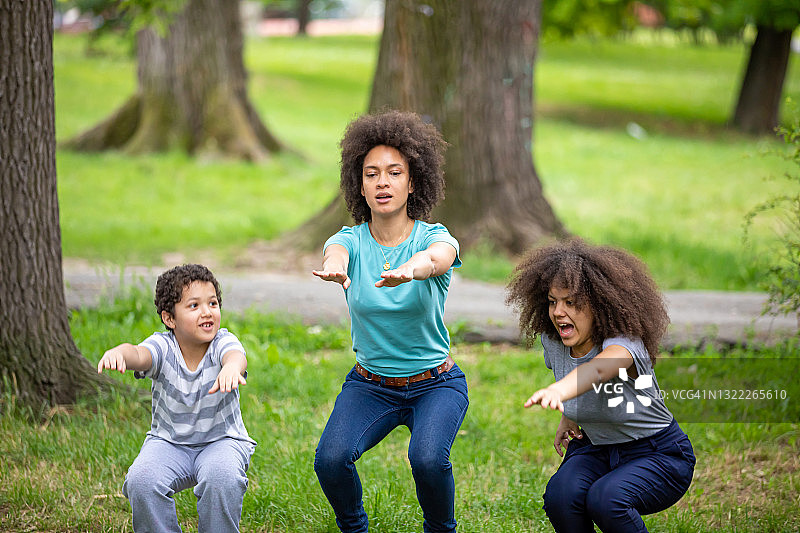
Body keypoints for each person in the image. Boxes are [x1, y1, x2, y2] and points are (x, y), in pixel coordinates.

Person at [312, 110, 469, 533]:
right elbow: (335, 253)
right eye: (372, 173)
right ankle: (355, 528)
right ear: (359, 185)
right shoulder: (349, 240)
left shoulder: (433, 237)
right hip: (371, 384)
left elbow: (439, 258)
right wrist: (335, 268)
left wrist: (412, 269)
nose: (382, 182)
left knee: (428, 459)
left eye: (394, 172)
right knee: (329, 460)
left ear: (412, 181)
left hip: (435, 383)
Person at [505, 239, 695, 533]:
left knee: (607, 500)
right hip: (595, 448)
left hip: (657, 453)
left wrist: (560, 393)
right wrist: (571, 412)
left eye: (571, 302)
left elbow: (598, 370)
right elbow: (577, 379)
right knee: (561, 498)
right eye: (553, 301)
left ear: (600, 305)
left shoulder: (624, 343)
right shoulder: (553, 341)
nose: (558, 312)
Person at [97, 263, 256, 533]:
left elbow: (236, 356)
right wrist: (120, 353)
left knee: (221, 478)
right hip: (169, 443)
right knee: (141, 481)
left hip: (222, 442)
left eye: (213, 303)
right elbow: (138, 354)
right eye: (194, 306)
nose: (207, 312)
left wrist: (231, 368)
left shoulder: (222, 342)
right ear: (169, 319)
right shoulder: (163, 346)